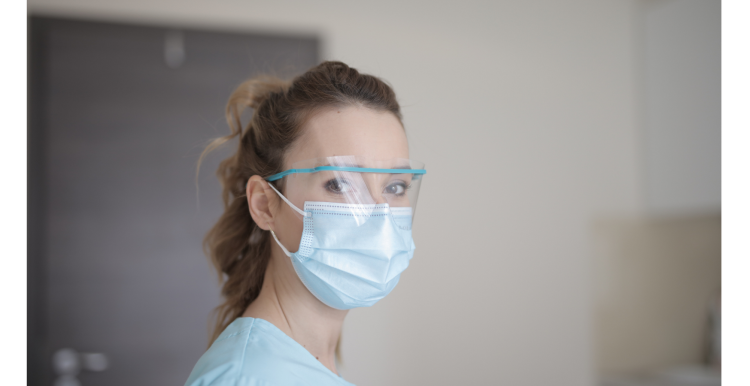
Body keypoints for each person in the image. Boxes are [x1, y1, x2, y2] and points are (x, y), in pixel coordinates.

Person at [184, 61, 426, 386]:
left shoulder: (309, 362)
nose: (379, 217)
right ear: (264, 204)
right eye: (339, 184)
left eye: (395, 186)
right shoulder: (245, 378)